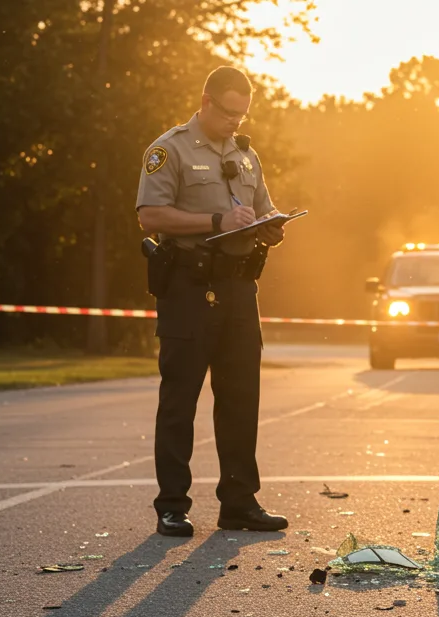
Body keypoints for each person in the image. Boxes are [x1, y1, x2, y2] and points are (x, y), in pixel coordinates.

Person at [135, 66, 289, 537]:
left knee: (241, 397)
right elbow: (150, 215)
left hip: (239, 288)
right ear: (205, 102)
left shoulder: (246, 155)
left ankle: (239, 503)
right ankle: (172, 505)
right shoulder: (170, 149)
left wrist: (271, 227)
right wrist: (216, 221)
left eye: (242, 115)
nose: (235, 122)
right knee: (180, 398)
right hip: (189, 286)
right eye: (228, 112)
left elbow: (262, 209)